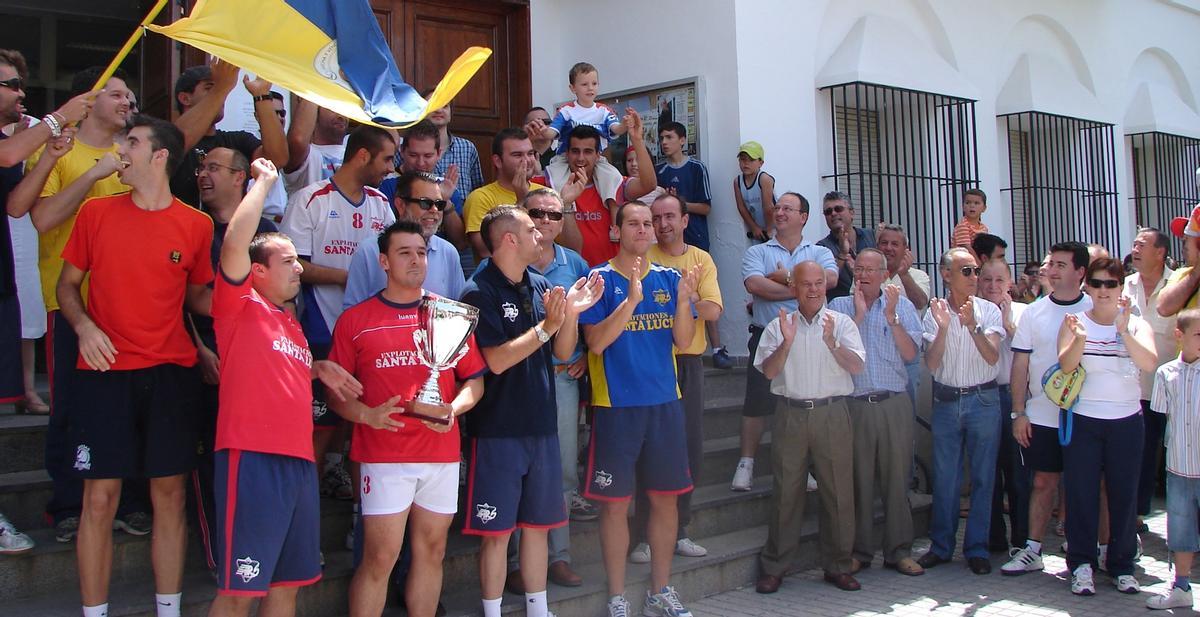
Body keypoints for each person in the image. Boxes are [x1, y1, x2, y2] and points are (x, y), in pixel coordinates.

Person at [57, 115, 214, 617]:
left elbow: (196, 298)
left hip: (170, 373)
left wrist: (260, 297)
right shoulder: (95, 213)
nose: (121, 150)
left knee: (170, 496)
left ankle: (168, 610)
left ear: (160, 155)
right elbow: (66, 287)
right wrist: (83, 326)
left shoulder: (197, 224)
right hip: (103, 374)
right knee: (98, 499)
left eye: (132, 141)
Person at [206, 157, 361, 617]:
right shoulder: (237, 305)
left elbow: (276, 368)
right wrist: (264, 183)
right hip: (251, 457)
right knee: (240, 589)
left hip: (297, 463)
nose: (300, 269)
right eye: (289, 261)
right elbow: (236, 241)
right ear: (256, 272)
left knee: (288, 586)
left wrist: (317, 369)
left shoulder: (289, 324)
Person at [8, 66, 143, 544]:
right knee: (70, 407)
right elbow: (40, 218)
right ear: (88, 100)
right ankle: (67, 505)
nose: (128, 103)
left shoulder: (136, 151)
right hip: (69, 302)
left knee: (126, 406)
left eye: (130, 96)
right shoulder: (56, 150)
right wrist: (92, 174)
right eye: (117, 94)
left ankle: (127, 502)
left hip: (129, 305)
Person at [328, 219, 485, 617]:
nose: (416, 260)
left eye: (420, 252)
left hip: (441, 455)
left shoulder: (449, 316)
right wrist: (366, 414)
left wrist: (454, 409)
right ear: (383, 261)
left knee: (432, 553)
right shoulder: (356, 320)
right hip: (384, 457)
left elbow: (474, 383)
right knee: (380, 559)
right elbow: (335, 393)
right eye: (404, 253)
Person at [460, 206, 602, 617]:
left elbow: (560, 351)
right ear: (509, 239)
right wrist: (545, 328)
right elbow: (496, 361)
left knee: (538, 525)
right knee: (496, 532)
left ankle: (539, 609)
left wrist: (570, 315)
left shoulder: (540, 284)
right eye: (529, 227)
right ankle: (492, 611)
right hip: (498, 429)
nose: (539, 232)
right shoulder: (478, 290)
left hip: (541, 424)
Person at [578, 201, 700, 617]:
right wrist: (630, 301)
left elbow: (682, 342)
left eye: (648, 223)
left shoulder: (670, 278)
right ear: (617, 231)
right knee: (614, 504)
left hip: (665, 405)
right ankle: (617, 596)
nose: (644, 230)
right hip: (616, 407)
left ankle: (659, 591)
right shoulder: (597, 279)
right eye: (633, 223)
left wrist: (684, 302)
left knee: (665, 501)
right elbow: (595, 343)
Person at [279, 126, 397, 502]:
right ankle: (305, 528)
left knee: (362, 425)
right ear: (362, 155)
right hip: (320, 330)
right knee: (317, 430)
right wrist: (352, 276)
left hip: (372, 334)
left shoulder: (381, 203)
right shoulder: (310, 199)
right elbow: (294, 264)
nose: (390, 169)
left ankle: (356, 511)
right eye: (387, 159)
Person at [487, 188, 594, 590]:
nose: (547, 222)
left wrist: (580, 351)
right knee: (517, 476)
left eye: (554, 214)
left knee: (563, 471)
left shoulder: (576, 263)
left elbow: (579, 325)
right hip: (513, 382)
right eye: (537, 215)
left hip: (560, 377)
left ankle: (558, 557)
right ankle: (515, 563)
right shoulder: (498, 273)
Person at [189, 146, 278, 574]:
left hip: (261, 363)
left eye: (214, 168)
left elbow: (282, 302)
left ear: (241, 176)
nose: (203, 175)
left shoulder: (269, 231)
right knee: (213, 460)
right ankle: (221, 555)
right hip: (209, 359)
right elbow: (187, 299)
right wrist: (201, 350)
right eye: (202, 168)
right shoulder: (194, 227)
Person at [754, 260, 866, 593]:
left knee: (838, 493)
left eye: (819, 283)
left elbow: (857, 366)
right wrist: (786, 343)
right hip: (791, 413)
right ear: (794, 288)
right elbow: (769, 372)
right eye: (806, 284)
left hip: (833, 413)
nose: (814, 289)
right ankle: (775, 566)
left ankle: (839, 565)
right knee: (786, 492)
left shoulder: (842, 322)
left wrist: (832, 342)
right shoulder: (779, 326)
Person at [627, 193, 724, 564]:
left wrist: (675, 303)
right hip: (649, 364)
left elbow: (713, 308)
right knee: (646, 452)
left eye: (670, 216)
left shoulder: (701, 259)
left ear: (685, 220)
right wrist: (684, 301)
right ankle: (644, 537)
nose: (663, 224)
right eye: (656, 218)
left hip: (687, 364)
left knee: (688, 450)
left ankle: (679, 528)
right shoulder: (641, 259)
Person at [1057, 257, 1156, 596]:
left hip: (1126, 422)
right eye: (1096, 283)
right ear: (1087, 286)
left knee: (1123, 496)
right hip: (1085, 421)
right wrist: (1081, 339)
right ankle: (1082, 565)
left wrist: (1124, 330)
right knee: (1081, 494)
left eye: (1110, 284)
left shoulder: (1135, 323)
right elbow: (1066, 366)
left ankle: (1123, 565)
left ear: (1120, 287)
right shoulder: (1074, 321)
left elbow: (1149, 363)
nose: (1102, 290)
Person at [827, 248, 924, 576]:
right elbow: (830, 351)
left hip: (894, 403)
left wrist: (891, 317)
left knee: (898, 479)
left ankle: (899, 551)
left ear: (885, 275)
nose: (864, 275)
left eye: (872, 270)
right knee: (859, 482)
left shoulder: (903, 306)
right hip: (855, 405)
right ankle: (860, 551)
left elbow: (911, 355)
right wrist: (857, 315)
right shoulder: (839, 306)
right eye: (860, 269)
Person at [733, 192, 837, 492]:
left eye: (787, 208)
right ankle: (746, 463)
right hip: (767, 333)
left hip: (811, 338)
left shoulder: (818, 251)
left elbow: (829, 280)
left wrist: (784, 277)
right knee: (756, 402)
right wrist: (804, 288)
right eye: (777, 208)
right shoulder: (757, 251)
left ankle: (801, 465)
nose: (779, 213)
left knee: (800, 403)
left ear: (803, 217)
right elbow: (755, 285)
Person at [1002, 241, 1093, 576]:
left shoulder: (1095, 308)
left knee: (1088, 483)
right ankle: (1033, 549)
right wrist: (1018, 412)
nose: (1052, 270)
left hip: (1088, 416)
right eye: (1051, 263)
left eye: (1061, 265)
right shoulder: (1034, 312)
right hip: (1041, 414)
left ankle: (1087, 548)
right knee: (1043, 481)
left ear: (1080, 272)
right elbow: (1020, 365)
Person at [917, 247, 1004, 575]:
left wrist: (972, 326)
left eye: (975, 271)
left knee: (983, 477)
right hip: (948, 401)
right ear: (946, 275)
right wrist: (942, 328)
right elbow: (932, 363)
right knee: (946, 479)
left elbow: (993, 357)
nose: (974, 277)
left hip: (983, 401)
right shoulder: (934, 312)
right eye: (966, 271)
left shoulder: (988, 311)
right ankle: (941, 546)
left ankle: (977, 548)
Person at [532, 116, 658, 267]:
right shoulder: (550, 183)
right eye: (575, 151)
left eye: (588, 152)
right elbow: (517, 184)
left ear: (598, 155)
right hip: (570, 275)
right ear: (566, 153)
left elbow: (649, 184)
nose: (580, 158)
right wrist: (533, 145)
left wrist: (637, 139)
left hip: (610, 277)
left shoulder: (613, 183)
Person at [169, 60, 288, 209]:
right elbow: (174, 143)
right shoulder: (165, 137)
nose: (223, 96)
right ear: (185, 98)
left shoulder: (236, 140)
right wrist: (221, 87)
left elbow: (277, 159)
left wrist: (262, 95)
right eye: (209, 87)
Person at [343, 171, 466, 308]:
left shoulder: (448, 252)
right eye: (425, 203)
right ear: (400, 205)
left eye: (439, 204)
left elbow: (459, 311)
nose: (434, 210)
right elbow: (352, 313)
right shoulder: (369, 251)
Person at [1124, 228, 1176, 541]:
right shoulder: (1124, 285)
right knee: (1141, 452)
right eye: (1134, 244)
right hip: (1135, 388)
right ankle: (1137, 514)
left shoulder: (1179, 284)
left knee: (1173, 452)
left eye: (1143, 245)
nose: (1136, 249)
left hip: (1170, 386)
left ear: (1160, 252)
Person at [1146, 309, 1200, 610]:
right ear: (1179, 336)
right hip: (1179, 466)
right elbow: (1163, 415)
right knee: (1180, 529)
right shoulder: (1166, 374)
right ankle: (1181, 586)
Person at [978, 259, 1030, 553]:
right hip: (984, 395)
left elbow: (1029, 355)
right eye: (987, 280)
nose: (993, 287)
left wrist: (1008, 323)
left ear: (1009, 283)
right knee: (988, 472)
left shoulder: (1025, 313)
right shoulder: (974, 313)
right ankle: (993, 537)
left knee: (1018, 473)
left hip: (1014, 396)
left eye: (999, 280)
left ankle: (1022, 540)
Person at [527, 62, 625, 210]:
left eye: (594, 83)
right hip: (565, 160)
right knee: (556, 184)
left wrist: (626, 124)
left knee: (614, 180)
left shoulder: (604, 110)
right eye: (584, 84)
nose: (590, 88)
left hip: (597, 160)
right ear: (573, 88)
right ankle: (564, 213)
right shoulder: (566, 110)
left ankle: (615, 226)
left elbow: (616, 129)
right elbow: (552, 133)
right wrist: (542, 130)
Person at [463, 128, 549, 261]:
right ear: (497, 161)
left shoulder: (546, 193)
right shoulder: (481, 197)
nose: (526, 161)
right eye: (517, 155)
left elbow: (560, 244)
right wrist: (521, 202)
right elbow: (485, 251)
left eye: (530, 153)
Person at [378, 120, 465, 246]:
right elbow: (383, 235)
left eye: (428, 156)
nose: (420, 162)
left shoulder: (447, 186)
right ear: (402, 151)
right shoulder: (386, 184)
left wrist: (445, 203)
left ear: (439, 154)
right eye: (413, 155)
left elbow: (460, 243)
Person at [655, 122, 712, 251]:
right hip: (667, 240)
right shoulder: (658, 170)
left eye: (669, 137)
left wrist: (678, 204)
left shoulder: (697, 168)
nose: (664, 142)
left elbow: (706, 208)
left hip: (695, 239)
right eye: (661, 138)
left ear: (682, 140)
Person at [817, 191, 876, 299]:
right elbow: (823, 282)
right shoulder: (822, 248)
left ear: (852, 212)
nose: (833, 213)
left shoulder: (871, 235)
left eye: (838, 209)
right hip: (841, 308)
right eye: (828, 211)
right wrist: (842, 255)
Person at [283, 98, 348, 195]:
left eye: (344, 109)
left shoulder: (357, 154)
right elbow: (298, 140)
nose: (340, 115)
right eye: (332, 108)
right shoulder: (308, 155)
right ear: (314, 114)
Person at [428, 98, 484, 198]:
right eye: (433, 105)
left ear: (451, 113)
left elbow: (477, 189)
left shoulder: (467, 148)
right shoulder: (409, 148)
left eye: (444, 106)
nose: (439, 110)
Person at [1158, 204, 1200, 317]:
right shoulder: (1184, 274)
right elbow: (1163, 308)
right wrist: (1196, 274)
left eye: (1187, 239)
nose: (1183, 245)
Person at [732, 140, 776, 243]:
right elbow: (741, 207)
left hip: (773, 227)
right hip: (757, 230)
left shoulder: (764, 179)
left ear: (761, 163)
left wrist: (769, 229)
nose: (746, 163)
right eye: (742, 159)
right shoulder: (737, 182)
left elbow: (768, 207)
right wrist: (754, 227)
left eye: (751, 160)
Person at [524, 106, 555, 171]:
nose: (541, 125)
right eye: (535, 123)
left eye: (546, 122)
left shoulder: (563, 156)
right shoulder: (520, 158)